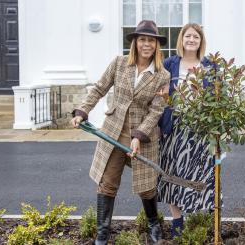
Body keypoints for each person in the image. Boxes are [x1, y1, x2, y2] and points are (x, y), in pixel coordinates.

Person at [71, 20, 170, 244]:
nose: (147, 44)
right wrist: (82, 111)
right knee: (107, 183)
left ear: (156, 45)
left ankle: (154, 224)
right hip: (113, 132)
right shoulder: (119, 63)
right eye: (142, 39)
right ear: (135, 42)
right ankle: (102, 233)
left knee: (146, 187)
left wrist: (138, 136)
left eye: (151, 40)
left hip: (143, 138)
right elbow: (99, 88)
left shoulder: (162, 75)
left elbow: (156, 111)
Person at [157, 23, 216, 238]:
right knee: (173, 174)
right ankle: (177, 222)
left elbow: (218, 100)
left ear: (201, 41)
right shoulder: (169, 64)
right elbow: (159, 92)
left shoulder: (211, 66)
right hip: (174, 128)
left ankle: (199, 218)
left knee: (201, 173)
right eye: (188, 36)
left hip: (200, 129)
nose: (191, 40)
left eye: (196, 37)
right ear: (181, 39)